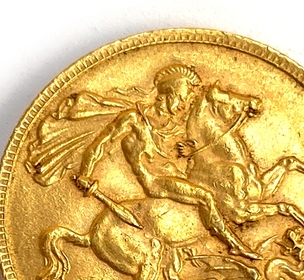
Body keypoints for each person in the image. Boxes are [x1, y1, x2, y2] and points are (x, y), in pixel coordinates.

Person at [74, 64, 260, 260]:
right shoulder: (134, 120)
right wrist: (86, 173)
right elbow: (102, 143)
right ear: (169, 93)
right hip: (154, 180)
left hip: (177, 177)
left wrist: (192, 150)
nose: (184, 104)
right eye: (181, 97)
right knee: (204, 196)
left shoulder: (174, 125)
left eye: (187, 100)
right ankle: (234, 245)